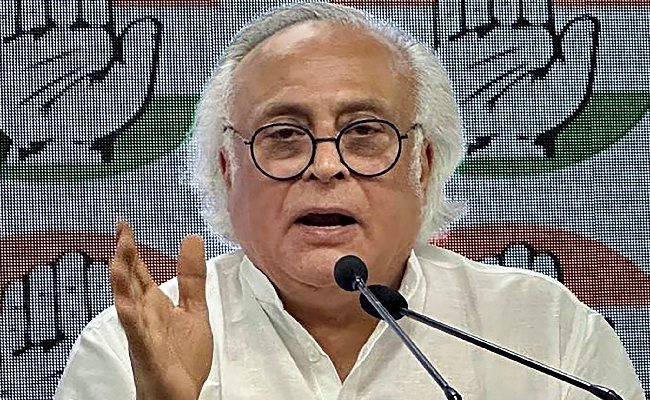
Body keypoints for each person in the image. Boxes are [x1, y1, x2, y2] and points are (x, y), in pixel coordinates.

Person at [55, 3, 644, 399]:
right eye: (283, 135)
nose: (325, 165)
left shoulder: (546, 332)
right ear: (227, 171)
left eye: (364, 132)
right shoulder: (133, 349)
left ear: (423, 166)